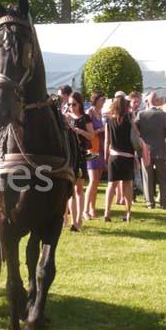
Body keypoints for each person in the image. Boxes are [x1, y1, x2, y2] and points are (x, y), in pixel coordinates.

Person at [104, 95, 136, 222]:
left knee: (111, 185)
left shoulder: (109, 121)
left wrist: (106, 157)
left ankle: (107, 212)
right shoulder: (129, 120)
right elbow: (136, 135)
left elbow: (107, 141)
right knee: (127, 184)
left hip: (114, 155)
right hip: (128, 156)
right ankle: (128, 213)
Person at [136, 92, 166, 210]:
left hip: (146, 150)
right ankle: (164, 203)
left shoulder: (141, 114)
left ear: (147, 101)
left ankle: (150, 202)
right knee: (162, 178)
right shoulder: (164, 115)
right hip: (160, 149)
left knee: (147, 177)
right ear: (156, 101)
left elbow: (136, 132)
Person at [66, 92, 93, 231]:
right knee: (70, 188)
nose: (71, 107)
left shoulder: (85, 118)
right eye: (69, 104)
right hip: (69, 155)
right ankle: (72, 221)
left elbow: (91, 135)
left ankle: (78, 219)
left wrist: (80, 132)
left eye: (74, 104)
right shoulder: (67, 117)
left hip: (81, 155)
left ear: (80, 104)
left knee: (78, 188)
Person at [84, 91, 106, 219]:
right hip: (91, 150)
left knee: (97, 181)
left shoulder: (100, 113)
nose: (103, 102)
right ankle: (85, 210)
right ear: (96, 100)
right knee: (92, 181)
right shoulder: (89, 113)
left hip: (101, 148)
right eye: (102, 99)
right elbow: (89, 132)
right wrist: (101, 130)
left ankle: (92, 209)